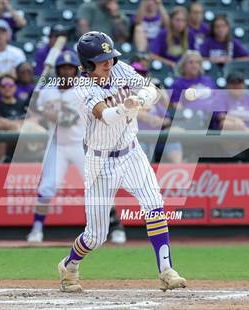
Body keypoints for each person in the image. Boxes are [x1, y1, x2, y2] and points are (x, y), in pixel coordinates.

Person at [57, 31, 186, 293]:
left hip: (132, 152)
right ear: (88, 63)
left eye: (110, 56)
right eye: (102, 59)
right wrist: (126, 108)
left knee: (154, 204)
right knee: (96, 236)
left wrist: (139, 99)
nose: (109, 62)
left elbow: (152, 90)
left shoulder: (120, 69)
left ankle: (166, 270)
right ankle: (69, 265)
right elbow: (105, 115)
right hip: (101, 160)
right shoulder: (82, 87)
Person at [27, 51, 126, 244]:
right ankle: (36, 229)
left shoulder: (86, 89)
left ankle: (115, 227)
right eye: (63, 68)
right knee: (47, 187)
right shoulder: (47, 90)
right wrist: (40, 111)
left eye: (69, 68)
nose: (66, 72)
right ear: (57, 70)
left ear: (76, 70)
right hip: (57, 145)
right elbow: (37, 110)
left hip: (83, 145)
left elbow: (72, 117)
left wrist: (54, 112)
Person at [216, 72, 249, 163]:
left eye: (239, 83)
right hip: (229, 137)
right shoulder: (221, 97)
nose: (236, 86)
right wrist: (240, 124)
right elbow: (221, 117)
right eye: (233, 83)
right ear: (228, 85)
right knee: (226, 124)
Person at [0, 74, 34, 162]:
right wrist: (17, 125)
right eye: (4, 86)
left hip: (23, 136)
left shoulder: (24, 103)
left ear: (15, 87)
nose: (7, 88)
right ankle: (2, 162)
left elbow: (33, 119)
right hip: (6, 138)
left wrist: (13, 125)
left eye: (10, 85)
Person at [170, 50, 216, 129]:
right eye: (191, 62)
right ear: (183, 65)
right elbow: (176, 106)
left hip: (212, 119)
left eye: (197, 62)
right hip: (191, 120)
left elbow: (216, 99)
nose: (194, 65)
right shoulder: (178, 84)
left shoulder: (207, 80)